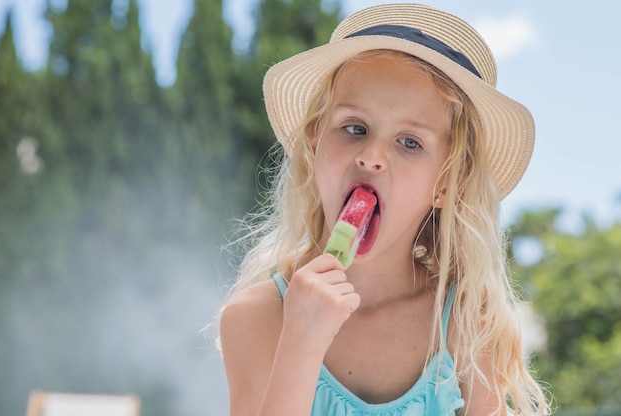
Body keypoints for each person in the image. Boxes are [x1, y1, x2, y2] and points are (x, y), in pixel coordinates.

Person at [219, 3, 551, 416]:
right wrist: (301, 345)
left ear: (448, 183)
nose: (372, 156)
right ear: (313, 143)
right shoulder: (257, 318)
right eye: (354, 128)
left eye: (409, 142)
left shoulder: (462, 324)